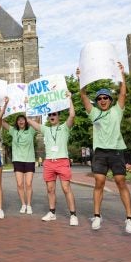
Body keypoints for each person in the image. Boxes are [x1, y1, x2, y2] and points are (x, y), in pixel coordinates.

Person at [77, 62, 131, 234]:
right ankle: (97, 215)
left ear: (110, 100)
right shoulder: (94, 113)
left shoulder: (117, 111)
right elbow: (83, 96)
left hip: (116, 151)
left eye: (105, 98)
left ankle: (130, 218)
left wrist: (121, 74)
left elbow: (123, 92)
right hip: (101, 152)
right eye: (100, 98)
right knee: (99, 182)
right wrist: (81, 78)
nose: (102, 100)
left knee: (120, 181)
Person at [38, 94, 78, 226]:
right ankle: (52, 213)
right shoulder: (45, 129)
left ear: (58, 116)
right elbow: (29, 120)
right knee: (50, 189)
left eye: (54, 114)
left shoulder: (65, 127)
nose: (51, 117)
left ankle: (73, 215)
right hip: (49, 162)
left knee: (66, 188)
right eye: (49, 115)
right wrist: (28, 105)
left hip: (62, 161)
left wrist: (69, 99)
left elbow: (72, 115)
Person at [0, 98, 38, 215]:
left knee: (28, 184)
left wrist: (28, 104)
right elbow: (0, 120)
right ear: (17, 122)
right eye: (19, 120)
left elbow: (36, 118)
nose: (21, 121)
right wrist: (5, 104)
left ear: (26, 121)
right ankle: (23, 204)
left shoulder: (31, 130)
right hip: (18, 161)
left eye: (23, 120)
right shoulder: (13, 131)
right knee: (20, 184)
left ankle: (29, 205)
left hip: (29, 160)